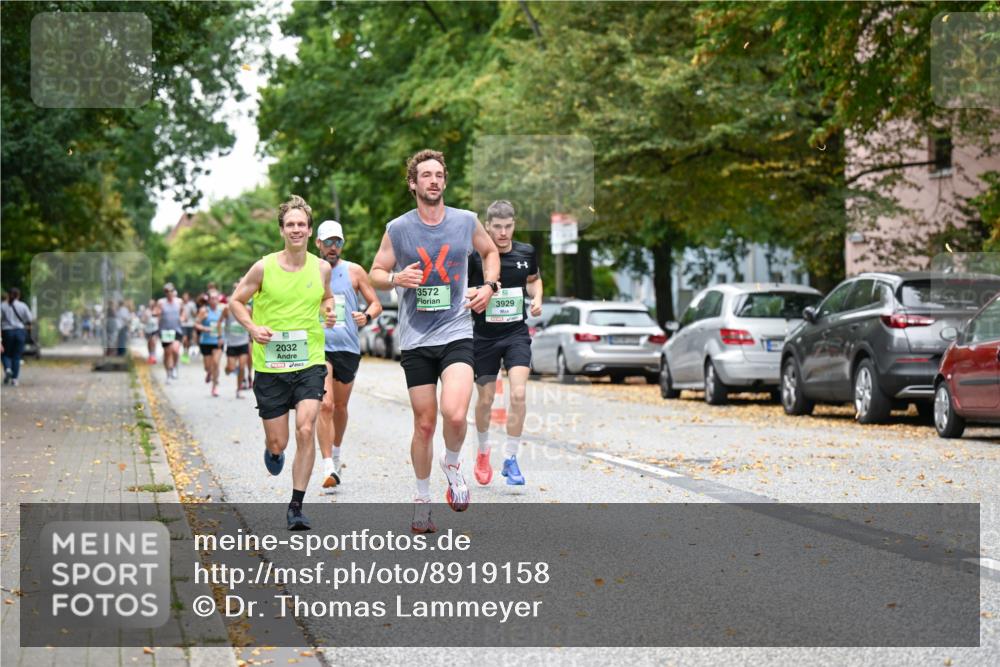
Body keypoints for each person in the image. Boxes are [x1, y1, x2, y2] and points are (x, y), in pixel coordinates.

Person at [369, 149, 499, 533]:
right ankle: (422, 500)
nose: (434, 181)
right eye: (426, 175)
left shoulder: (465, 221)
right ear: (413, 184)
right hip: (416, 338)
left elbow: (490, 251)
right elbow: (376, 270)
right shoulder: (399, 228)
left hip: (457, 329)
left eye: (439, 174)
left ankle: (454, 463)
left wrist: (490, 286)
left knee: (455, 414)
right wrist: (395, 279)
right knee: (425, 424)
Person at [228, 195, 336, 531]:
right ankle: (273, 452)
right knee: (280, 442)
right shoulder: (264, 267)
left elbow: (327, 297)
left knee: (306, 428)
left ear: (309, 229)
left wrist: (329, 310)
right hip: (270, 366)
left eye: (301, 224)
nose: (296, 229)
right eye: (290, 224)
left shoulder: (322, 267)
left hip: (309, 362)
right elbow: (236, 301)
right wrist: (252, 327)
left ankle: (296, 506)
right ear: (281, 230)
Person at [467, 200, 543, 487]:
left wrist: (537, 298)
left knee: (519, 394)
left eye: (508, 226)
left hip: (515, 335)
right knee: (485, 399)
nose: (502, 232)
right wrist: (481, 291)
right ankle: (483, 451)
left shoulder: (526, 252)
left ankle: (510, 459)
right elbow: (462, 290)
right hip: (484, 337)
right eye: (497, 227)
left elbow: (535, 280)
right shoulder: (477, 256)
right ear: (487, 226)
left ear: (514, 224)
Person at [314, 219, 382, 489]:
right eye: (328, 242)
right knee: (325, 405)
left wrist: (365, 316)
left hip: (347, 348)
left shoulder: (354, 271)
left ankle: (337, 453)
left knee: (340, 407)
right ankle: (328, 465)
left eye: (337, 242)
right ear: (318, 244)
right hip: (319, 347)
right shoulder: (309, 270)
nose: (333, 247)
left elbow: (375, 303)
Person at [220, 285, 252, 399]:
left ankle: (238, 390)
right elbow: (220, 323)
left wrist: (252, 334)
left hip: (243, 342)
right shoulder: (227, 309)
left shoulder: (247, 309)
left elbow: (253, 322)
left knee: (242, 367)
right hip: (231, 343)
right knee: (232, 368)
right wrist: (220, 337)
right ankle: (227, 368)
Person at [2, 288, 34, 386]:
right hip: (20, 332)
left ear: (8, 295)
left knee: (5, 354)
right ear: (18, 295)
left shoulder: (2, 306)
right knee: (16, 356)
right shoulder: (23, 305)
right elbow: (30, 318)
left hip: (7, 332)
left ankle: (7, 369)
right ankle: (15, 379)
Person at [195, 290, 225, 396]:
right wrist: (205, 328)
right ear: (208, 300)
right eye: (212, 298)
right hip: (206, 342)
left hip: (218, 340)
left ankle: (215, 386)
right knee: (208, 366)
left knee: (216, 363)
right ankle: (209, 372)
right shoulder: (204, 311)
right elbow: (196, 324)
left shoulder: (222, 310)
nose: (215, 300)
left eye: (216, 298)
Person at [153, 283, 184, 381]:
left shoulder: (179, 302)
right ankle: (168, 373)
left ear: (173, 291)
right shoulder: (161, 302)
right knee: (167, 353)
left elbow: (183, 312)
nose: (169, 293)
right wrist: (157, 313)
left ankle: (174, 366)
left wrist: (182, 318)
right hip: (165, 331)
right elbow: (156, 312)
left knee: (175, 350)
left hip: (176, 329)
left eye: (170, 291)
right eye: (166, 291)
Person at [181, 291, 197, 363]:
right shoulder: (180, 304)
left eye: (186, 297)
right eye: (184, 297)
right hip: (182, 324)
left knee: (189, 340)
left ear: (188, 297)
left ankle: (186, 352)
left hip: (190, 324)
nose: (185, 298)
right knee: (184, 339)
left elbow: (195, 315)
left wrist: (192, 311)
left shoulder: (192, 304)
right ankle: (185, 351)